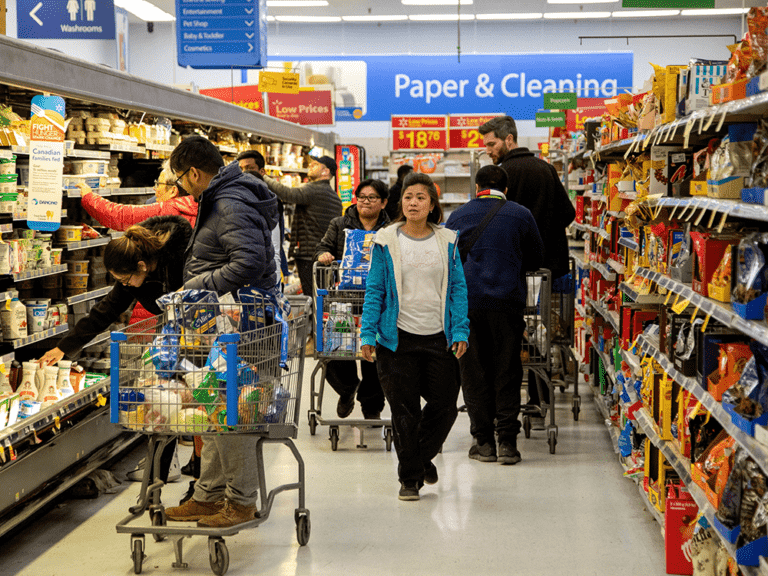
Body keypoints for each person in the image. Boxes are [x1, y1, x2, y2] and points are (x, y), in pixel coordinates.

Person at [164, 135, 279, 529]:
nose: (181, 187)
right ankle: (209, 495)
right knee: (214, 410)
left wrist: (196, 287)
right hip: (227, 324)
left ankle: (242, 501)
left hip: (246, 327)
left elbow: (249, 262)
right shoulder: (225, 197)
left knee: (236, 414)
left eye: (180, 179)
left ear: (195, 173)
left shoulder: (229, 202)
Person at [38, 216, 193, 482]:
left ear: (142, 266)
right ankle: (162, 470)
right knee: (168, 402)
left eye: (125, 279)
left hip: (200, 334)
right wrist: (64, 348)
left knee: (201, 401)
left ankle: (193, 472)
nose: (124, 284)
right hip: (171, 337)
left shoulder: (181, 258)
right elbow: (105, 311)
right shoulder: (133, 275)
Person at [360, 172, 469, 502]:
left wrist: (461, 328)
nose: (413, 203)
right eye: (408, 197)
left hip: (439, 337)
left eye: (421, 197)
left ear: (432, 204)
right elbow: (375, 289)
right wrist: (367, 332)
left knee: (446, 407)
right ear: (400, 203)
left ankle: (420, 458)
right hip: (397, 340)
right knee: (404, 411)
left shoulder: (447, 241)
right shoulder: (386, 240)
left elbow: (458, 289)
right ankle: (410, 478)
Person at [445, 165, 544, 465]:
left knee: (473, 373)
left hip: (468, 307)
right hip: (507, 305)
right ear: (507, 188)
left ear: (477, 188)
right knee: (507, 372)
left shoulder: (458, 216)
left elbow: (449, 260)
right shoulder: (521, 214)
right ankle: (508, 444)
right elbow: (536, 258)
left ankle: (483, 443)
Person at [478, 115, 576, 415]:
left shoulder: (501, 177)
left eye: (492, 144)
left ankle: (505, 401)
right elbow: (569, 213)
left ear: (510, 140)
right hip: (550, 270)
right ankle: (539, 396)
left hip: (515, 272)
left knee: (515, 335)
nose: (489, 151)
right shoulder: (546, 169)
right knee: (543, 332)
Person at [315, 179, 390, 420]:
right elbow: (322, 247)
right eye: (362, 197)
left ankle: (372, 407)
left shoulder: (390, 229)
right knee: (336, 350)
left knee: (375, 357)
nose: (366, 201)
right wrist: (324, 254)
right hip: (343, 299)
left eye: (372, 197)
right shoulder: (339, 224)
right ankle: (347, 390)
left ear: (383, 202)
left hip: (379, 301)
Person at [262, 155, 342, 297]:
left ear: (326, 171)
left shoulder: (315, 189)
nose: (310, 166)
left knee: (313, 296)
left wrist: (264, 177)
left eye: (315, 164)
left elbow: (287, 194)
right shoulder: (334, 196)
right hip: (324, 254)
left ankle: (315, 319)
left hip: (309, 254)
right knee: (323, 295)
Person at [79, 161, 198, 230]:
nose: (154, 189)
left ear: (173, 191)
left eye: (158, 184)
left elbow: (120, 215)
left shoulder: (170, 210)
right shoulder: (198, 205)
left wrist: (88, 197)